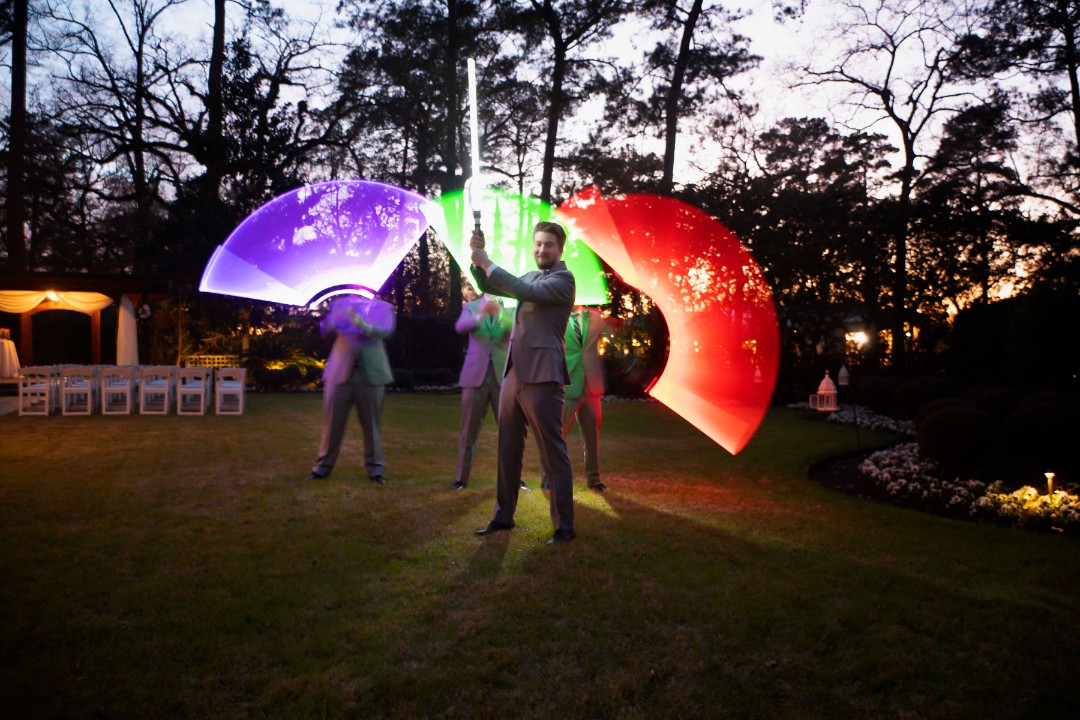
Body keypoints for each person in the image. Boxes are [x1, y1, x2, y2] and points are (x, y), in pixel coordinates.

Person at [470, 221, 577, 544]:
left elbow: (525, 292)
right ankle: (503, 516)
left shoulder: (564, 280)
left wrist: (488, 261)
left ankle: (564, 526)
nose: (541, 249)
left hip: (544, 374)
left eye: (548, 245)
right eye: (538, 244)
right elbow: (495, 287)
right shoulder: (529, 276)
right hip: (514, 373)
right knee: (507, 447)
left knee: (551, 451)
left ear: (560, 249)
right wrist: (477, 261)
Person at [305, 293, 395, 483]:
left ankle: (376, 471)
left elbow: (385, 331)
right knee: (332, 425)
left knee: (372, 425)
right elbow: (325, 330)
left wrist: (363, 324)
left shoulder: (384, 308)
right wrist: (331, 320)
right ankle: (321, 468)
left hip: (371, 375)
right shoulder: (341, 305)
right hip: (340, 373)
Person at [451, 288, 512, 490]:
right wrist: (481, 315)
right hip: (474, 375)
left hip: (503, 377)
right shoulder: (471, 306)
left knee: (510, 430)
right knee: (468, 429)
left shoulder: (510, 307)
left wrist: (500, 314)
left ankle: (512, 477)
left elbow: (515, 330)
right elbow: (460, 327)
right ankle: (461, 478)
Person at [542, 304, 607, 492]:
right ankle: (548, 476)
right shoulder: (556, 317)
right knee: (557, 434)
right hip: (567, 382)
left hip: (591, 385)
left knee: (592, 436)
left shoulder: (595, 317)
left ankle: (594, 479)